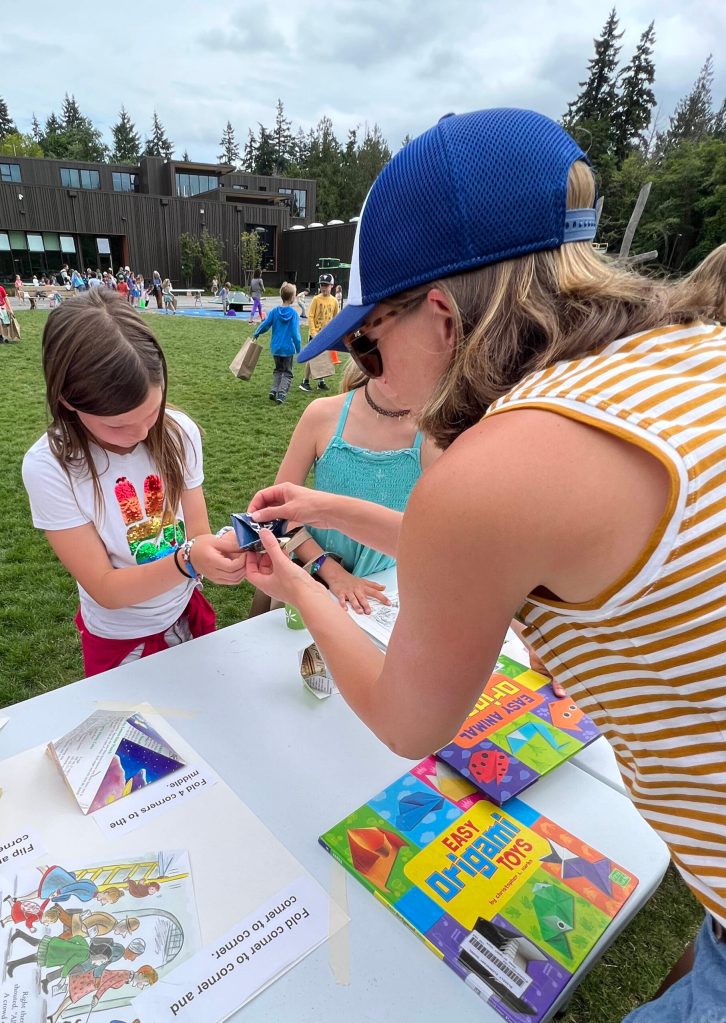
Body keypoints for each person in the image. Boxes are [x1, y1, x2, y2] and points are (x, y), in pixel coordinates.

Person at [220, 109, 726, 1023]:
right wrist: (322, 508)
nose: (366, 365)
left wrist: (292, 579)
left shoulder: (496, 465)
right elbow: (486, 550)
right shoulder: (672, 355)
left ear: (442, 314)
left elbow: (411, 719)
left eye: (370, 339)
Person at [21, 289, 246, 677]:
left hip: (185, 614)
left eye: (152, 413)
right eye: (118, 425)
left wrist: (217, 553)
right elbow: (106, 589)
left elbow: (197, 533)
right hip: (119, 639)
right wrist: (190, 560)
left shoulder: (179, 432)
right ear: (67, 400)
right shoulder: (50, 467)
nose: (142, 433)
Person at [256, 357, 439, 614]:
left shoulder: (435, 433)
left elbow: (442, 535)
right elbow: (277, 513)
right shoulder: (322, 414)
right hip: (311, 579)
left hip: (387, 592)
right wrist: (333, 572)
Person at [252, 281, 301, 404]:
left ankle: (273, 390)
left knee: (278, 370)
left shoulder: (274, 311)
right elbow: (295, 335)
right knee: (288, 373)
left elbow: (265, 325)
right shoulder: (294, 314)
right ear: (292, 298)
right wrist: (299, 348)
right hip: (288, 349)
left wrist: (257, 333)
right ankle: (281, 394)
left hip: (276, 348)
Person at [300, 273, 338, 393]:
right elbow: (310, 316)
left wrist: (334, 333)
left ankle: (320, 381)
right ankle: (305, 381)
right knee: (312, 357)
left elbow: (336, 317)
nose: (324, 287)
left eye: (326, 285)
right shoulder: (316, 299)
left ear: (331, 285)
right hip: (315, 334)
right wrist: (313, 332)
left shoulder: (334, 301)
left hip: (326, 335)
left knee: (323, 357)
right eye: (322, 285)